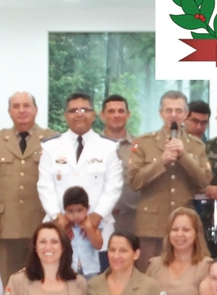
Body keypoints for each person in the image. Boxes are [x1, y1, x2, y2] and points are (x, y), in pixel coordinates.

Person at [127, 90, 212, 261]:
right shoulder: (144, 142)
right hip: (152, 225)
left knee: (184, 271)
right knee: (149, 272)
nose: (173, 115)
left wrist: (184, 156)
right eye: (169, 110)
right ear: (161, 113)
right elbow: (135, 181)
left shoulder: (196, 146)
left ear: (186, 114)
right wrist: (161, 161)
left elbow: (204, 181)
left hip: (184, 225)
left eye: (179, 111)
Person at [38, 93, 123, 263]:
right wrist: (58, 217)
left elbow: (113, 187)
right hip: (61, 230)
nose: (79, 114)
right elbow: (45, 186)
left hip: (97, 230)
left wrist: (96, 217)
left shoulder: (108, 147)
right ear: (65, 116)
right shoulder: (50, 147)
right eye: (73, 110)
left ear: (93, 114)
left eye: (84, 110)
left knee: (98, 278)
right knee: (58, 276)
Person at [0, 91, 50, 276]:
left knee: (43, 274)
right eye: (16, 106)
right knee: (8, 276)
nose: (21, 110)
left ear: (36, 109)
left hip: (42, 219)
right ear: (9, 111)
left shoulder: (52, 139)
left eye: (26, 105)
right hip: (7, 222)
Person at [144, 207, 214, 295]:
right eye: (175, 229)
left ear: (196, 233)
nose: (179, 234)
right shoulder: (155, 265)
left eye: (186, 230)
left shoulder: (207, 267)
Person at [100, 94, 141, 236]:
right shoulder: (91, 146)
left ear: (128, 115)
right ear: (102, 115)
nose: (116, 115)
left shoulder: (141, 146)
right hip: (99, 219)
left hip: (132, 219)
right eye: (111, 111)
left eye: (121, 111)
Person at [61, 187, 105, 278]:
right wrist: (62, 227)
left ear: (87, 208)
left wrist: (89, 228)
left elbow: (98, 245)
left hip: (90, 270)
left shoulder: (92, 224)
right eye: (71, 211)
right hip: (68, 270)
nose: (75, 215)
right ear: (64, 210)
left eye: (79, 210)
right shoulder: (63, 226)